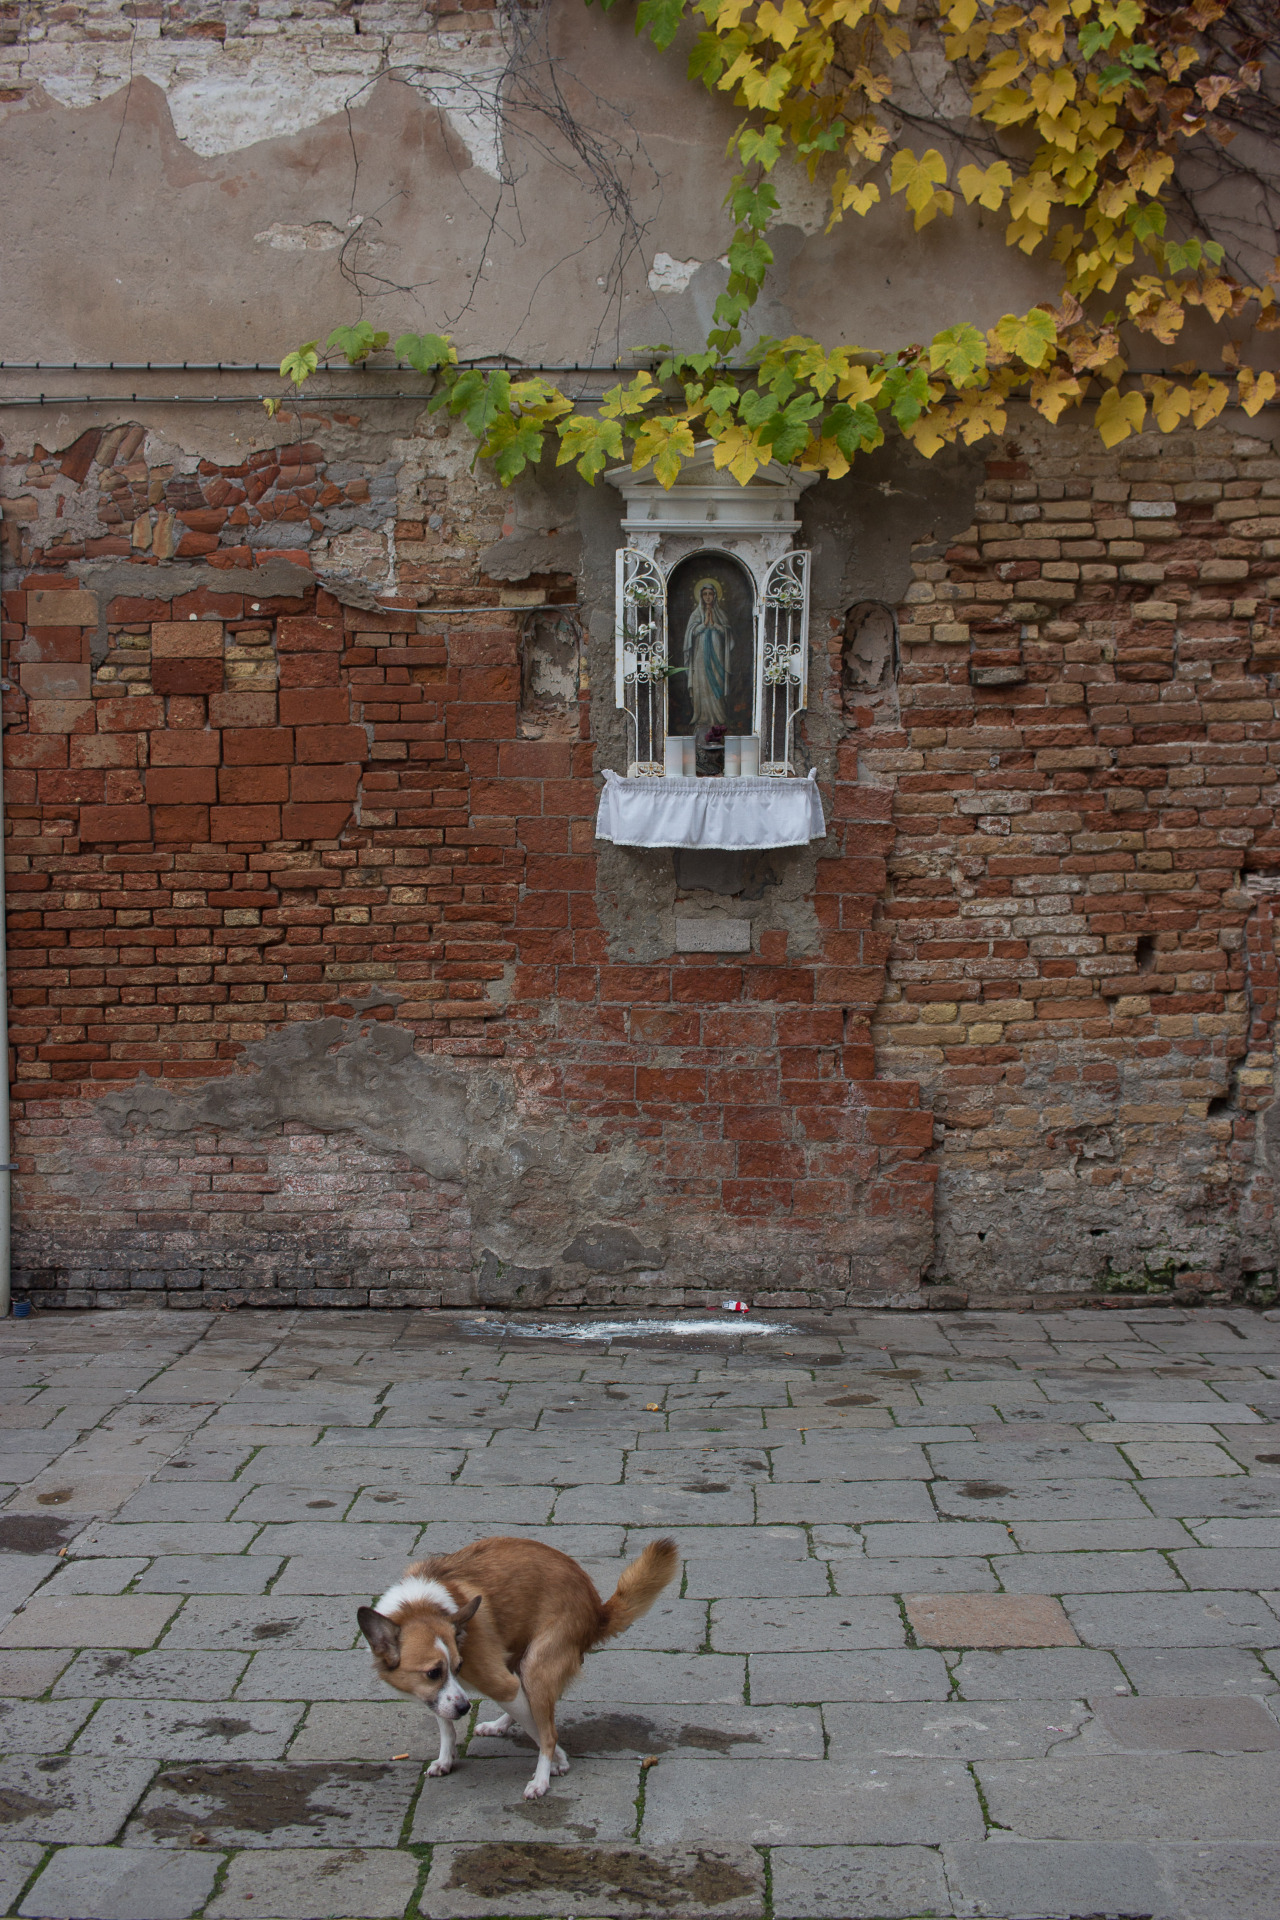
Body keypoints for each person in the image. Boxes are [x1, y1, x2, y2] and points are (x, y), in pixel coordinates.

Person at [683, 577, 732, 729]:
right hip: (700, 654)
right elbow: (689, 635)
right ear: (701, 596)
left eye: (710, 593)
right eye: (705, 594)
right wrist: (703, 625)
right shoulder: (696, 614)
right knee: (701, 682)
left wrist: (717, 626)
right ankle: (702, 716)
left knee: (716, 680)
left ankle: (718, 717)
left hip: (717, 654)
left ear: (715, 596)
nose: (708, 597)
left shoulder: (721, 614)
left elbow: (727, 635)